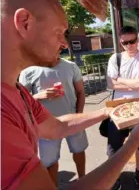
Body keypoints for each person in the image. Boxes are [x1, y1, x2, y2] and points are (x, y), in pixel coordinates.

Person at [1, 0, 139, 190]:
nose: (64, 43)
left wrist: (106, 112)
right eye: (59, 32)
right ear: (24, 23)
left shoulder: (16, 90)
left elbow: (57, 127)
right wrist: (132, 143)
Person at [19, 57, 88, 186]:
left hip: (72, 120)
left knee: (79, 150)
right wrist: (39, 96)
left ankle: (82, 181)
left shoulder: (71, 66)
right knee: (50, 162)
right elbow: (20, 99)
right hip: (45, 125)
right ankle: (53, 187)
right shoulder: (28, 71)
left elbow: (80, 92)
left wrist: (79, 115)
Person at [107, 26, 139, 190]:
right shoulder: (115, 58)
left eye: (132, 41)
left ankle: (138, 172)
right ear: (121, 42)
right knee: (114, 146)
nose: (129, 45)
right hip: (117, 109)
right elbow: (109, 83)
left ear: (138, 40)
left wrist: (119, 80)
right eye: (125, 42)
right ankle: (115, 178)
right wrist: (133, 85)